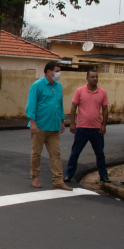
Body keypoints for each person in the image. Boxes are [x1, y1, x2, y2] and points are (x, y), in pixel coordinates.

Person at [26, 61, 71, 190]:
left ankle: (58, 180)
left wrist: (62, 121)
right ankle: (35, 178)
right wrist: (32, 123)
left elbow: (60, 104)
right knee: (36, 153)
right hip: (40, 126)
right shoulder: (37, 86)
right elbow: (31, 106)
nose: (58, 73)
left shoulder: (58, 86)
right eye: (56, 71)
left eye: (59, 71)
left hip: (54, 126)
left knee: (56, 154)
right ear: (48, 72)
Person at [64, 70, 111, 183]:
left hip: (96, 129)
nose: (95, 79)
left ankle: (103, 176)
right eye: (92, 77)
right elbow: (73, 107)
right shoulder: (80, 91)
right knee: (75, 153)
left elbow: (105, 109)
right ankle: (69, 174)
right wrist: (72, 123)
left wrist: (103, 125)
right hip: (81, 128)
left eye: (96, 77)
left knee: (100, 154)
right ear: (87, 78)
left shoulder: (102, 92)